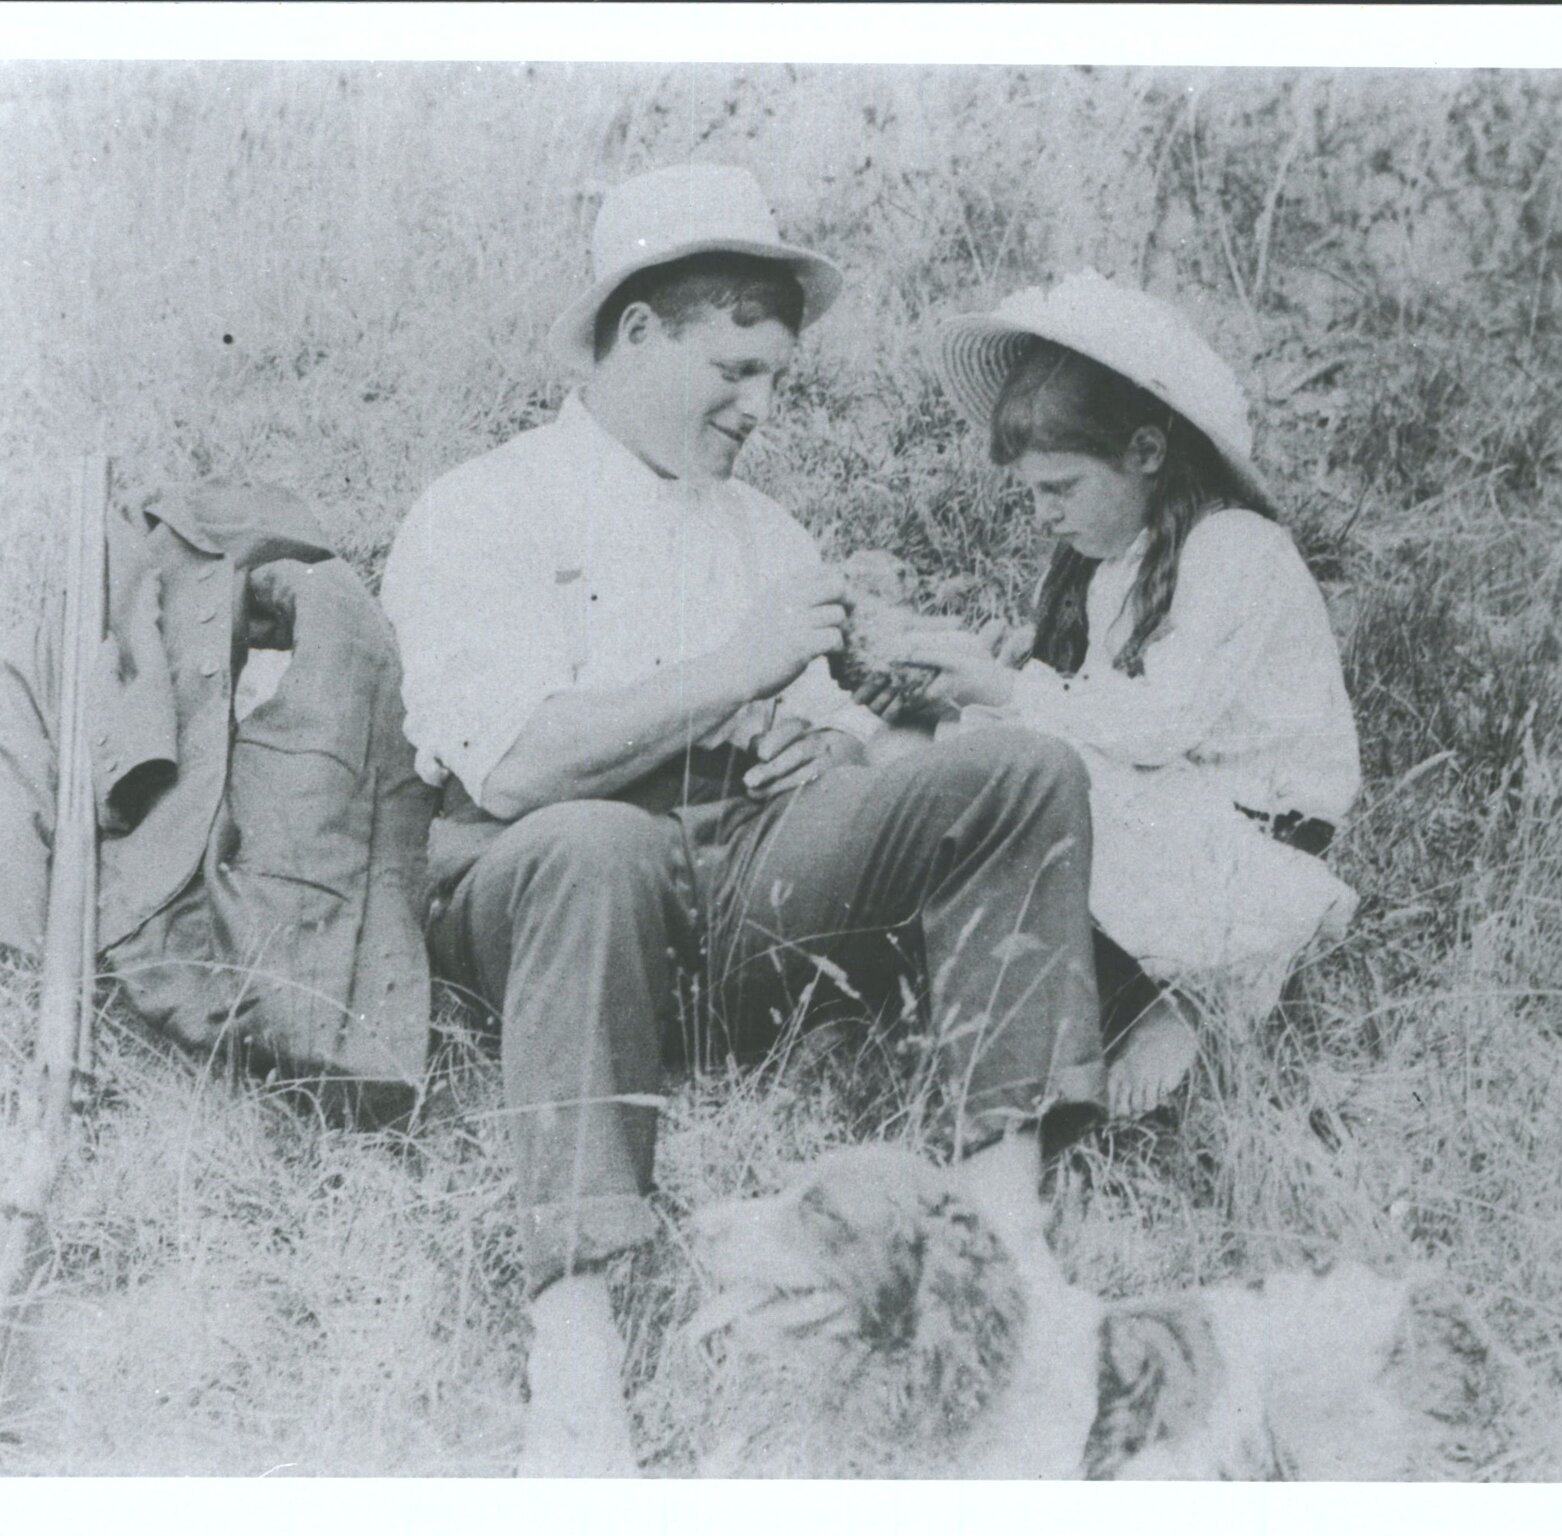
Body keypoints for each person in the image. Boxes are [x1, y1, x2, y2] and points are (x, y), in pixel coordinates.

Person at [378, 165, 1107, 1475]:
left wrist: (820, 738)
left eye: (776, 377)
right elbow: (507, 768)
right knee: (596, 842)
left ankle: (1001, 1241)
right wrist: (731, 674)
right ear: (637, 332)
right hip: (550, 900)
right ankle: (577, 1334)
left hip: (739, 894)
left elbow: (828, 732)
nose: (758, 407)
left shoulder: (762, 531)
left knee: (1018, 771)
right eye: (734, 367)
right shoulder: (481, 509)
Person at [864, 272, 1362, 1116]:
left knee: (1033, 770)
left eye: (1060, 488)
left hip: (1257, 832)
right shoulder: (1115, 573)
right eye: (1032, 493)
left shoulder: (1237, 551)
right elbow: (1100, 703)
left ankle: (1190, 996)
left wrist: (1012, 690)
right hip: (1179, 803)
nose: (1045, 515)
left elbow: (1156, 725)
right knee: (969, 744)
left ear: (1144, 453)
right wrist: (997, 680)